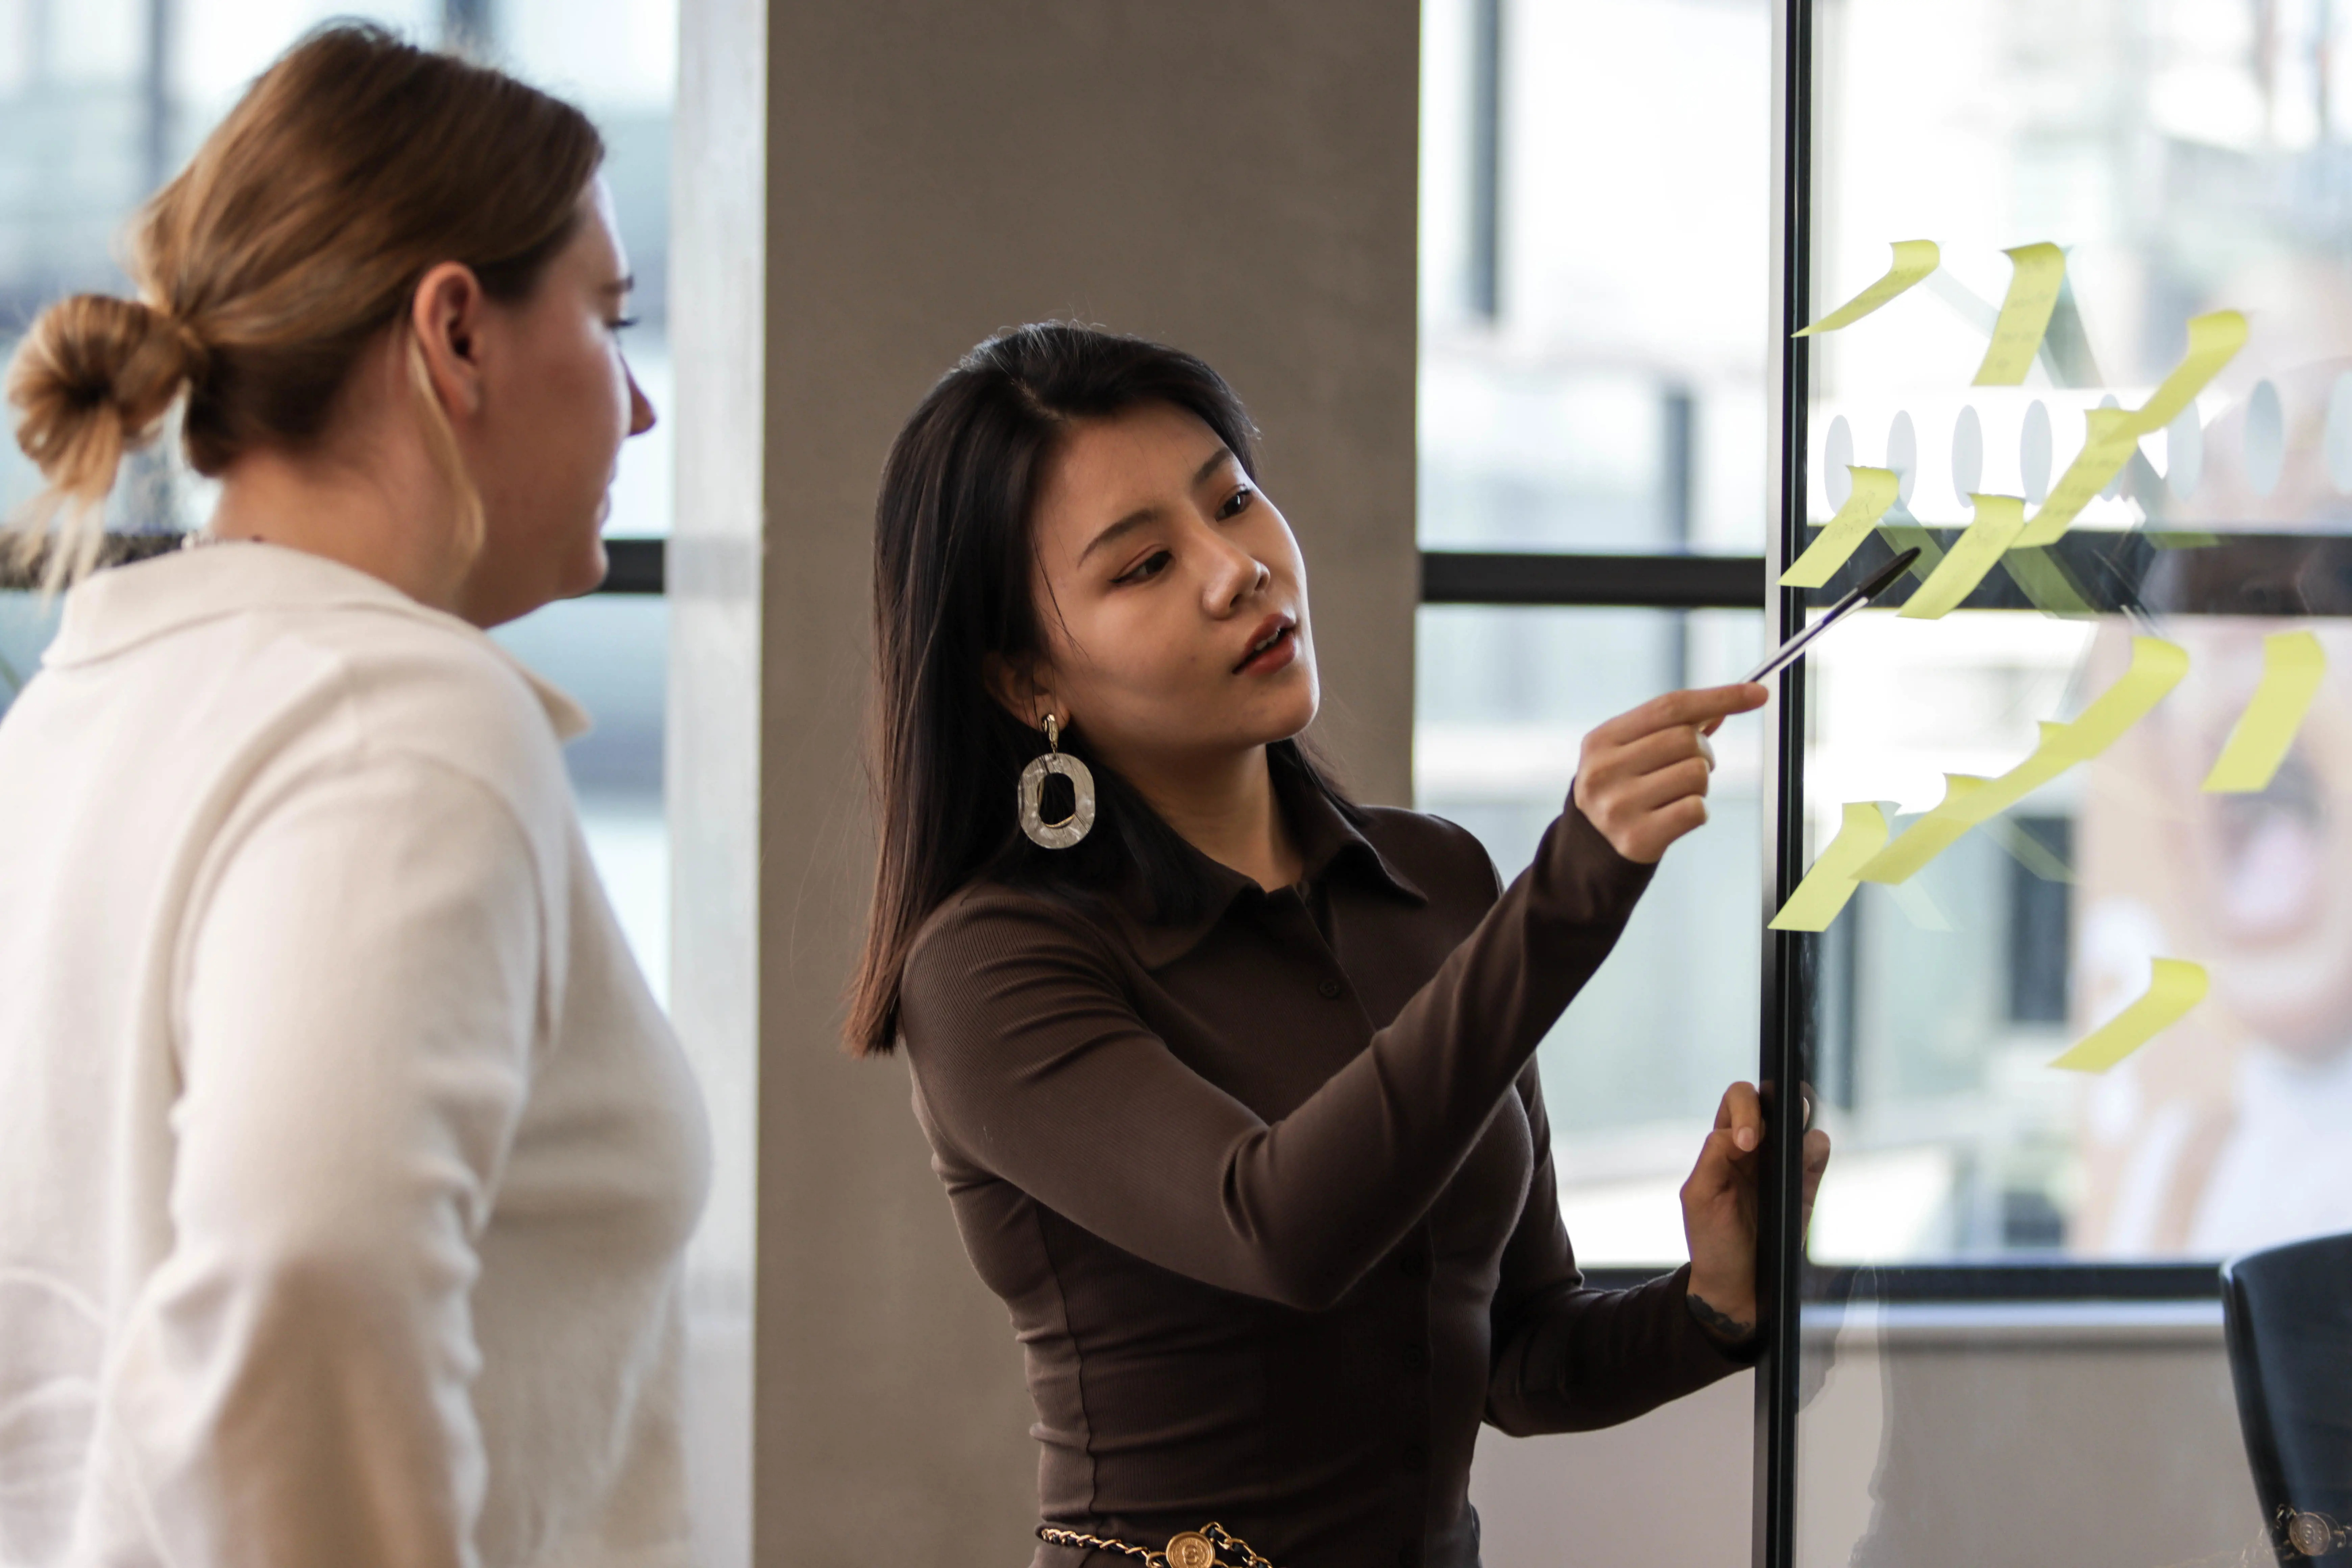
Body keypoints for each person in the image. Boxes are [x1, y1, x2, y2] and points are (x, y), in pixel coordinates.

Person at [851, 323, 1831, 1568]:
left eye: (1234, 501)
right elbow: (1280, 1228)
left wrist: (1716, 1301)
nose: (1237, 570)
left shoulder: (1434, 882)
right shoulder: (991, 964)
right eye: (1147, 565)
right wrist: (1573, 892)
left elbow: (1524, 1357)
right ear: (1024, 681)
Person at [0, 25, 704, 1568]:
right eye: (610, 318)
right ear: (457, 334)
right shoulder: (408, 726)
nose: (641, 411)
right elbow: (305, 1286)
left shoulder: (74, 712)